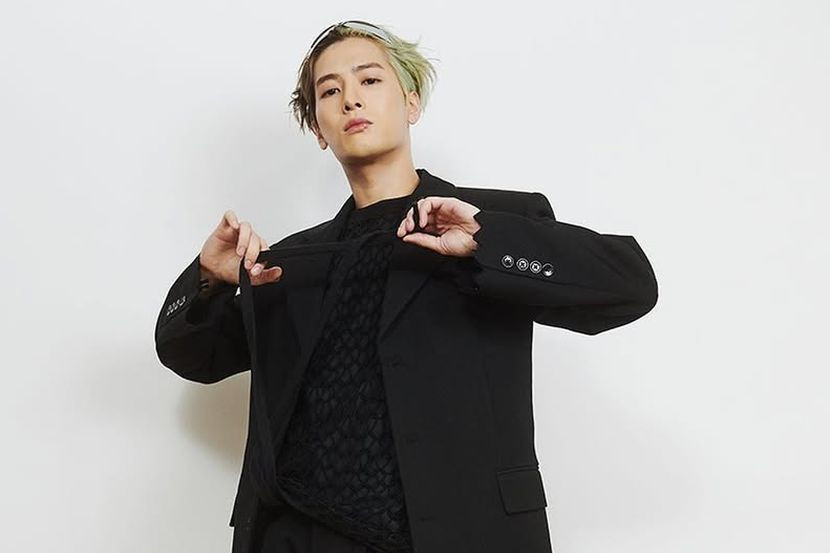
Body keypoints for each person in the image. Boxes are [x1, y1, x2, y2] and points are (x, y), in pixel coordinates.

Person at [154, 20, 659, 553]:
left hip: (457, 534)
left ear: (411, 103)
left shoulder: (489, 222)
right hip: (299, 534)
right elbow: (194, 357)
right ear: (319, 129)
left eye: (370, 80)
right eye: (330, 91)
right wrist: (209, 277)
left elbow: (630, 287)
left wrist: (486, 244)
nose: (351, 99)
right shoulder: (293, 261)